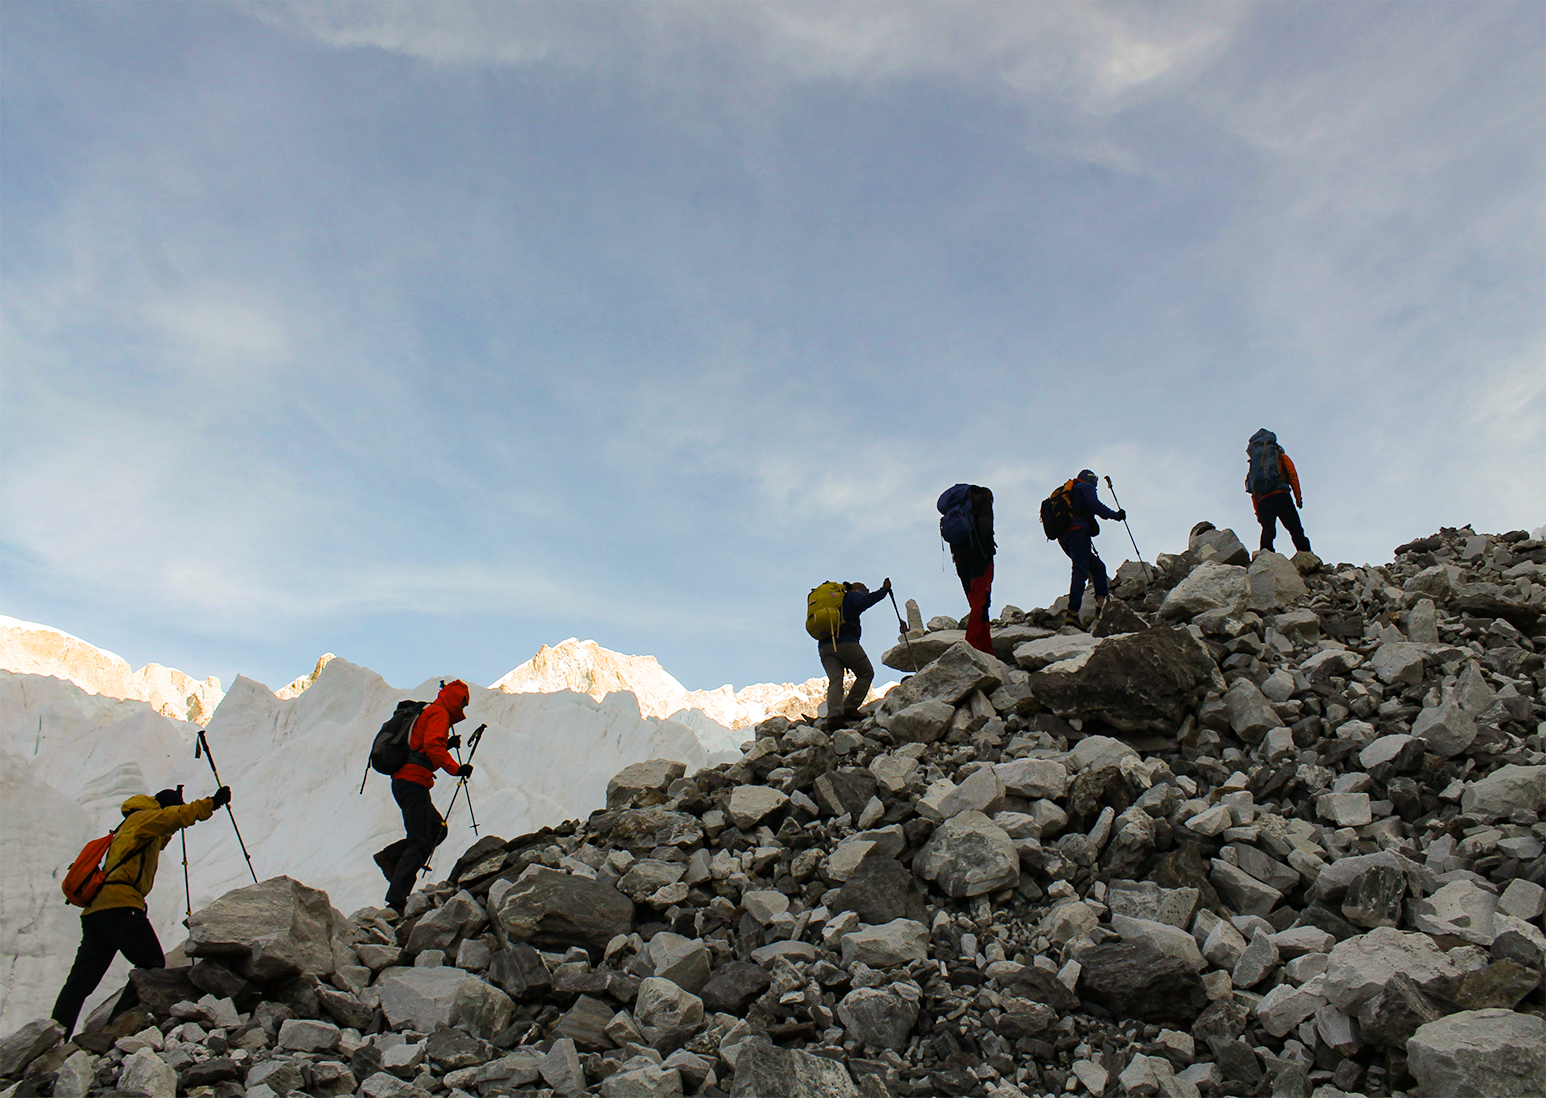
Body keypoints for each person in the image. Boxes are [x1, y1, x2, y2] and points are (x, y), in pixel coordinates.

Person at [52, 784, 230, 1037]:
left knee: (81, 982)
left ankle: (54, 1035)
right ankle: (116, 1026)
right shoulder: (144, 818)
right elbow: (171, 818)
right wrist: (211, 803)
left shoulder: (132, 826)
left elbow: (162, 833)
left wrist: (175, 819)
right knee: (151, 963)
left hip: (97, 911)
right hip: (120, 905)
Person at [381, 679, 473, 914]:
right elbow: (432, 747)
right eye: (462, 703)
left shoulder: (430, 712)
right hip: (413, 782)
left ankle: (391, 857)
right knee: (420, 841)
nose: (462, 708)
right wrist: (456, 769)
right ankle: (397, 899)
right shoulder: (439, 713)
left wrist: (447, 745)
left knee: (436, 828)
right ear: (455, 700)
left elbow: (423, 746)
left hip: (406, 781)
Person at [817, 579, 892, 730]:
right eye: (866, 591)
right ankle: (850, 708)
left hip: (825, 646)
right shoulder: (852, 596)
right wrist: (883, 590)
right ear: (860, 591)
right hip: (846, 642)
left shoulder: (834, 603)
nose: (867, 594)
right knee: (866, 673)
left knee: (836, 680)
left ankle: (833, 716)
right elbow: (864, 602)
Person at [1058, 469, 1124, 627]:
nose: (1095, 484)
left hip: (1065, 537)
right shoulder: (1084, 487)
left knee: (1097, 567)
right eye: (1094, 480)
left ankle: (1100, 609)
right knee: (1080, 571)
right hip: (1077, 532)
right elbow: (1095, 506)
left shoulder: (1071, 491)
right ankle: (1072, 613)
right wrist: (1116, 515)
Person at [1246, 428, 1312, 554]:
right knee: (1295, 528)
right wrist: (1298, 497)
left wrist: (1258, 513)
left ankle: (1266, 556)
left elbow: (1253, 492)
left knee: (1268, 531)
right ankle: (1306, 556)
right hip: (1281, 495)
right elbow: (1293, 476)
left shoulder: (1254, 467)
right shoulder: (1280, 457)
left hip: (1264, 501)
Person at [949, 485, 997, 654]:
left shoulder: (957, 509)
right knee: (981, 601)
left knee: (977, 602)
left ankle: (984, 644)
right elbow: (985, 523)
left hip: (961, 559)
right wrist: (987, 548)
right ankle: (975, 646)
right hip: (979, 555)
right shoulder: (982, 497)